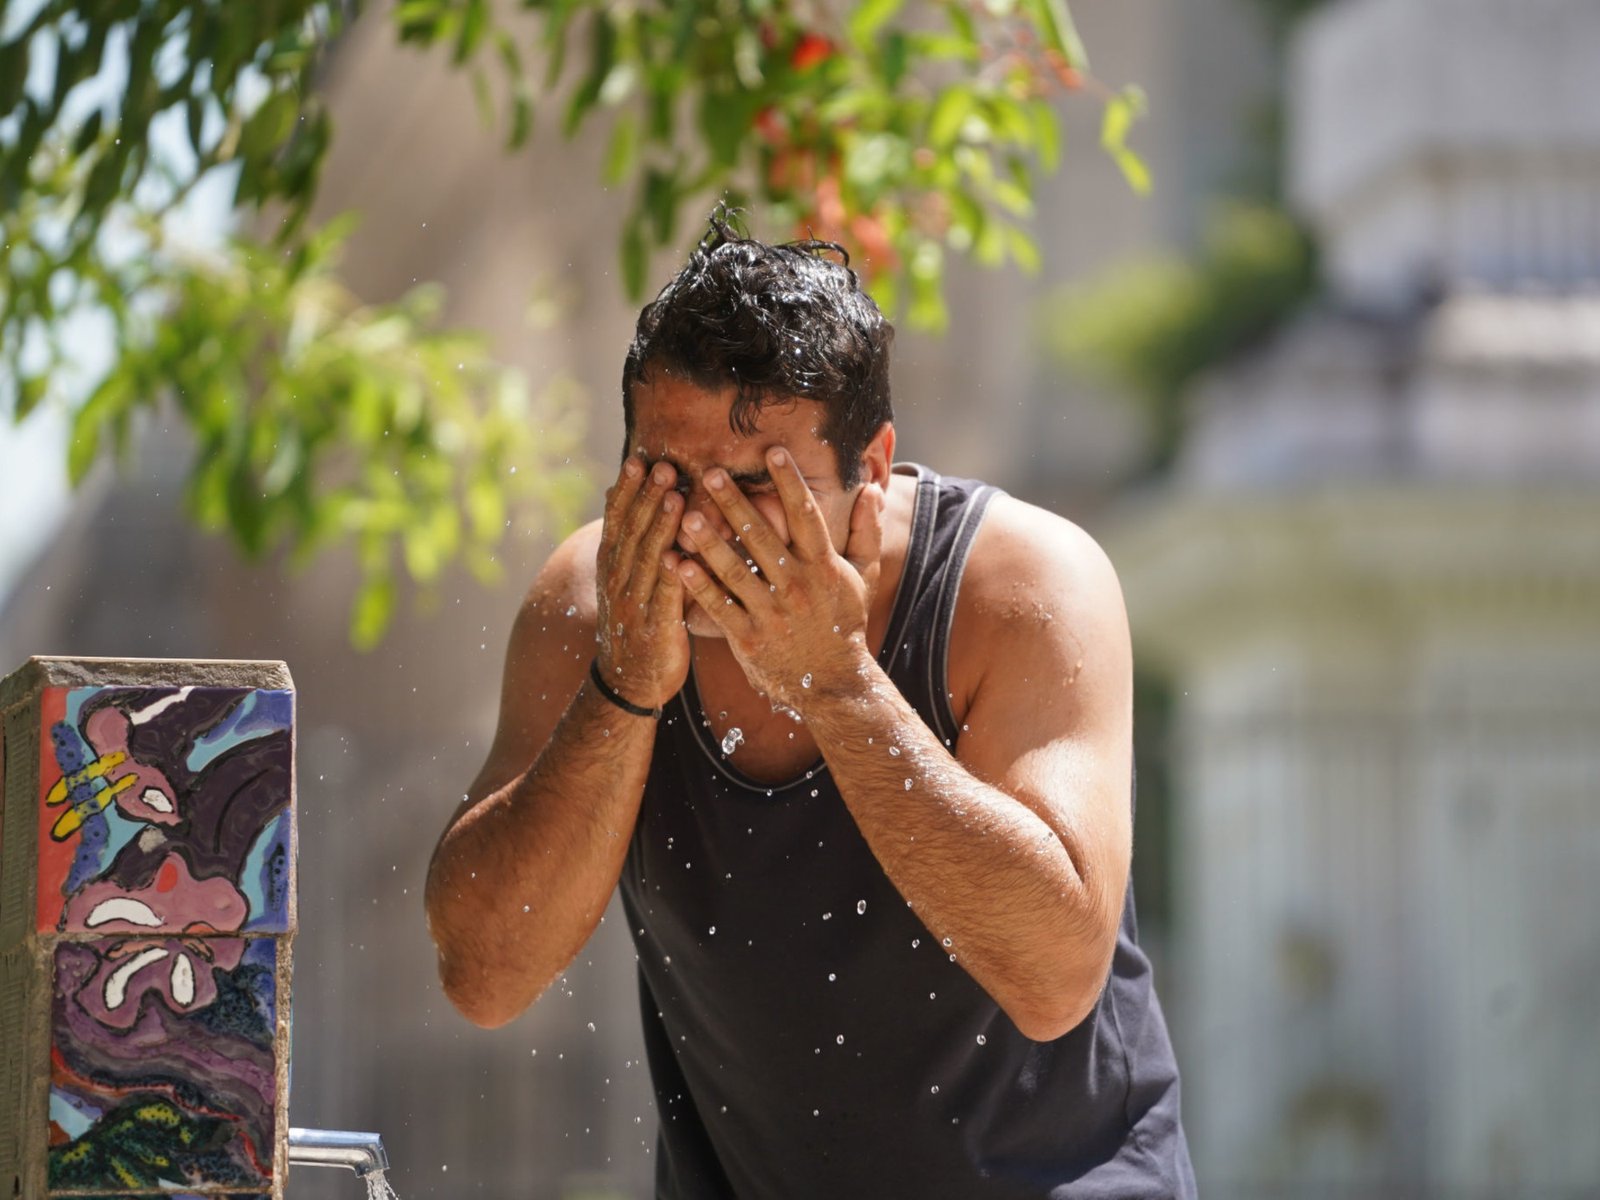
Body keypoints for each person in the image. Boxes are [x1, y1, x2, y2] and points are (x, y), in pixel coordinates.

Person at [425, 212, 1197, 1198]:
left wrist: (838, 685)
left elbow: (1055, 980)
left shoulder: (1024, 587)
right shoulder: (593, 603)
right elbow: (484, 976)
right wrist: (621, 689)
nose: (701, 529)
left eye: (754, 487)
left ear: (871, 467)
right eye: (666, 479)